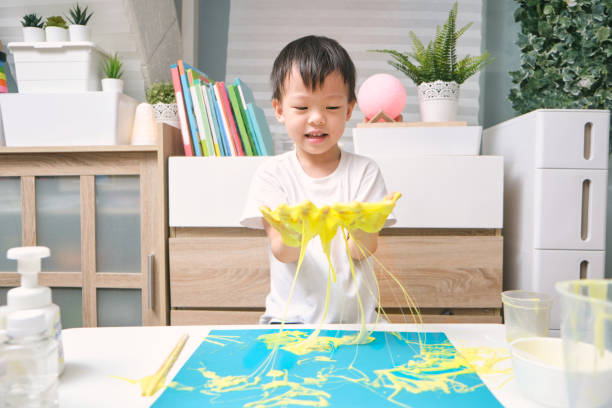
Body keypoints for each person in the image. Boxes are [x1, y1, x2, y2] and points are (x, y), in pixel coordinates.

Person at [240, 35, 396, 325]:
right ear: (279, 110)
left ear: (349, 110)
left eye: (331, 108)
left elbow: (359, 250)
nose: (316, 119)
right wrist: (291, 231)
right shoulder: (272, 175)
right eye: (301, 108)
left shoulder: (365, 172)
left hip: (358, 323)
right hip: (289, 324)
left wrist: (366, 225)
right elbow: (284, 253)